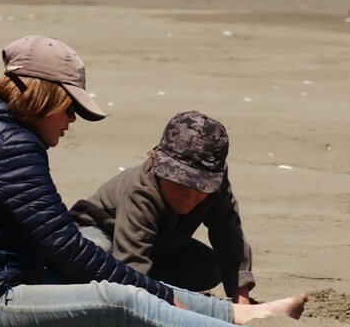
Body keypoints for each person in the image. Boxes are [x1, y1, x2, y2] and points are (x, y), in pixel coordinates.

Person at [0, 34, 342, 327]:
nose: (72, 121)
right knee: (123, 298)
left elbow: (56, 242)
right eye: (71, 108)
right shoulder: (10, 145)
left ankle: (242, 314)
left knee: (142, 287)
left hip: (2, 283)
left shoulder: (1, 135)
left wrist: (159, 289)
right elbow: (65, 246)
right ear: (47, 97)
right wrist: (146, 289)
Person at [71, 110, 256, 304]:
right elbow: (131, 263)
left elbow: (229, 234)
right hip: (98, 235)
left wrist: (241, 299)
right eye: (180, 185)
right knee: (95, 250)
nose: (189, 198)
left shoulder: (216, 181)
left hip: (155, 247)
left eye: (201, 188)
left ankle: (150, 286)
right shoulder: (141, 191)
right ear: (155, 162)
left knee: (211, 268)